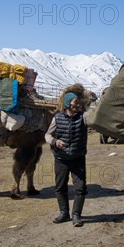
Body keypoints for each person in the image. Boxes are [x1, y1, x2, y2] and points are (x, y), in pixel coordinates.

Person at [45, 92, 88, 227]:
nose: (77, 104)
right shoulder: (57, 118)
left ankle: (76, 215)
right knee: (60, 187)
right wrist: (55, 141)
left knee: (80, 188)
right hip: (61, 159)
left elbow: (96, 120)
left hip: (78, 158)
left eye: (78, 102)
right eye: (75, 102)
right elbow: (47, 134)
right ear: (68, 103)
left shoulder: (84, 117)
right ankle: (64, 213)